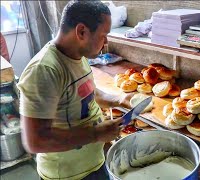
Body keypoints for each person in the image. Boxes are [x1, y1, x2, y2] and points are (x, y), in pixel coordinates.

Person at [17, 1, 129, 179]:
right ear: (82, 32)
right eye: (103, 35)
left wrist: (119, 99)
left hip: (94, 163)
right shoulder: (44, 70)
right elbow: (35, 140)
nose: (106, 42)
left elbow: (86, 92)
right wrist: (97, 133)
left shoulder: (78, 55)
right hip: (67, 175)